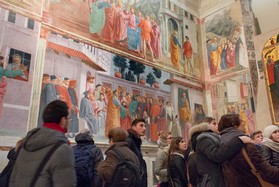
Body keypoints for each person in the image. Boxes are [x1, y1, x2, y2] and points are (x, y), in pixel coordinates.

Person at [9, 100, 76, 187]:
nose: (70, 121)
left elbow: (13, 179)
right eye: (69, 118)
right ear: (63, 120)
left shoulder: (26, 143)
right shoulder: (62, 149)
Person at [188, 117, 253, 187]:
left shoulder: (211, 139)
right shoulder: (204, 140)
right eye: (214, 123)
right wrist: (239, 140)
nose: (217, 125)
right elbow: (217, 155)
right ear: (206, 125)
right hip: (213, 182)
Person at [219, 114, 279, 186]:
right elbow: (262, 167)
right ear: (234, 124)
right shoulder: (244, 141)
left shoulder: (220, 141)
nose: (244, 123)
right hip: (251, 182)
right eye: (241, 121)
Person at [127, 119, 147, 187]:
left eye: (145, 126)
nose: (144, 128)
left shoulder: (136, 141)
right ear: (133, 127)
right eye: (141, 126)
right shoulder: (129, 141)